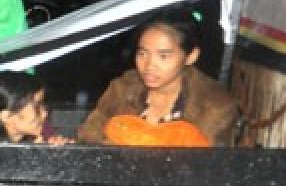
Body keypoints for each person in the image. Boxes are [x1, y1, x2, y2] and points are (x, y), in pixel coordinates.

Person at [77, 11, 239, 146]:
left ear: (191, 56)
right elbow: (88, 137)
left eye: (163, 56)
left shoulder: (215, 105)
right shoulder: (122, 88)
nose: (149, 66)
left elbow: (206, 166)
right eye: (142, 53)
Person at [0, 71, 71, 144]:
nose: (45, 113)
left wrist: (60, 155)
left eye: (43, 104)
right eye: (37, 106)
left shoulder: (44, 135)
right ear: (7, 116)